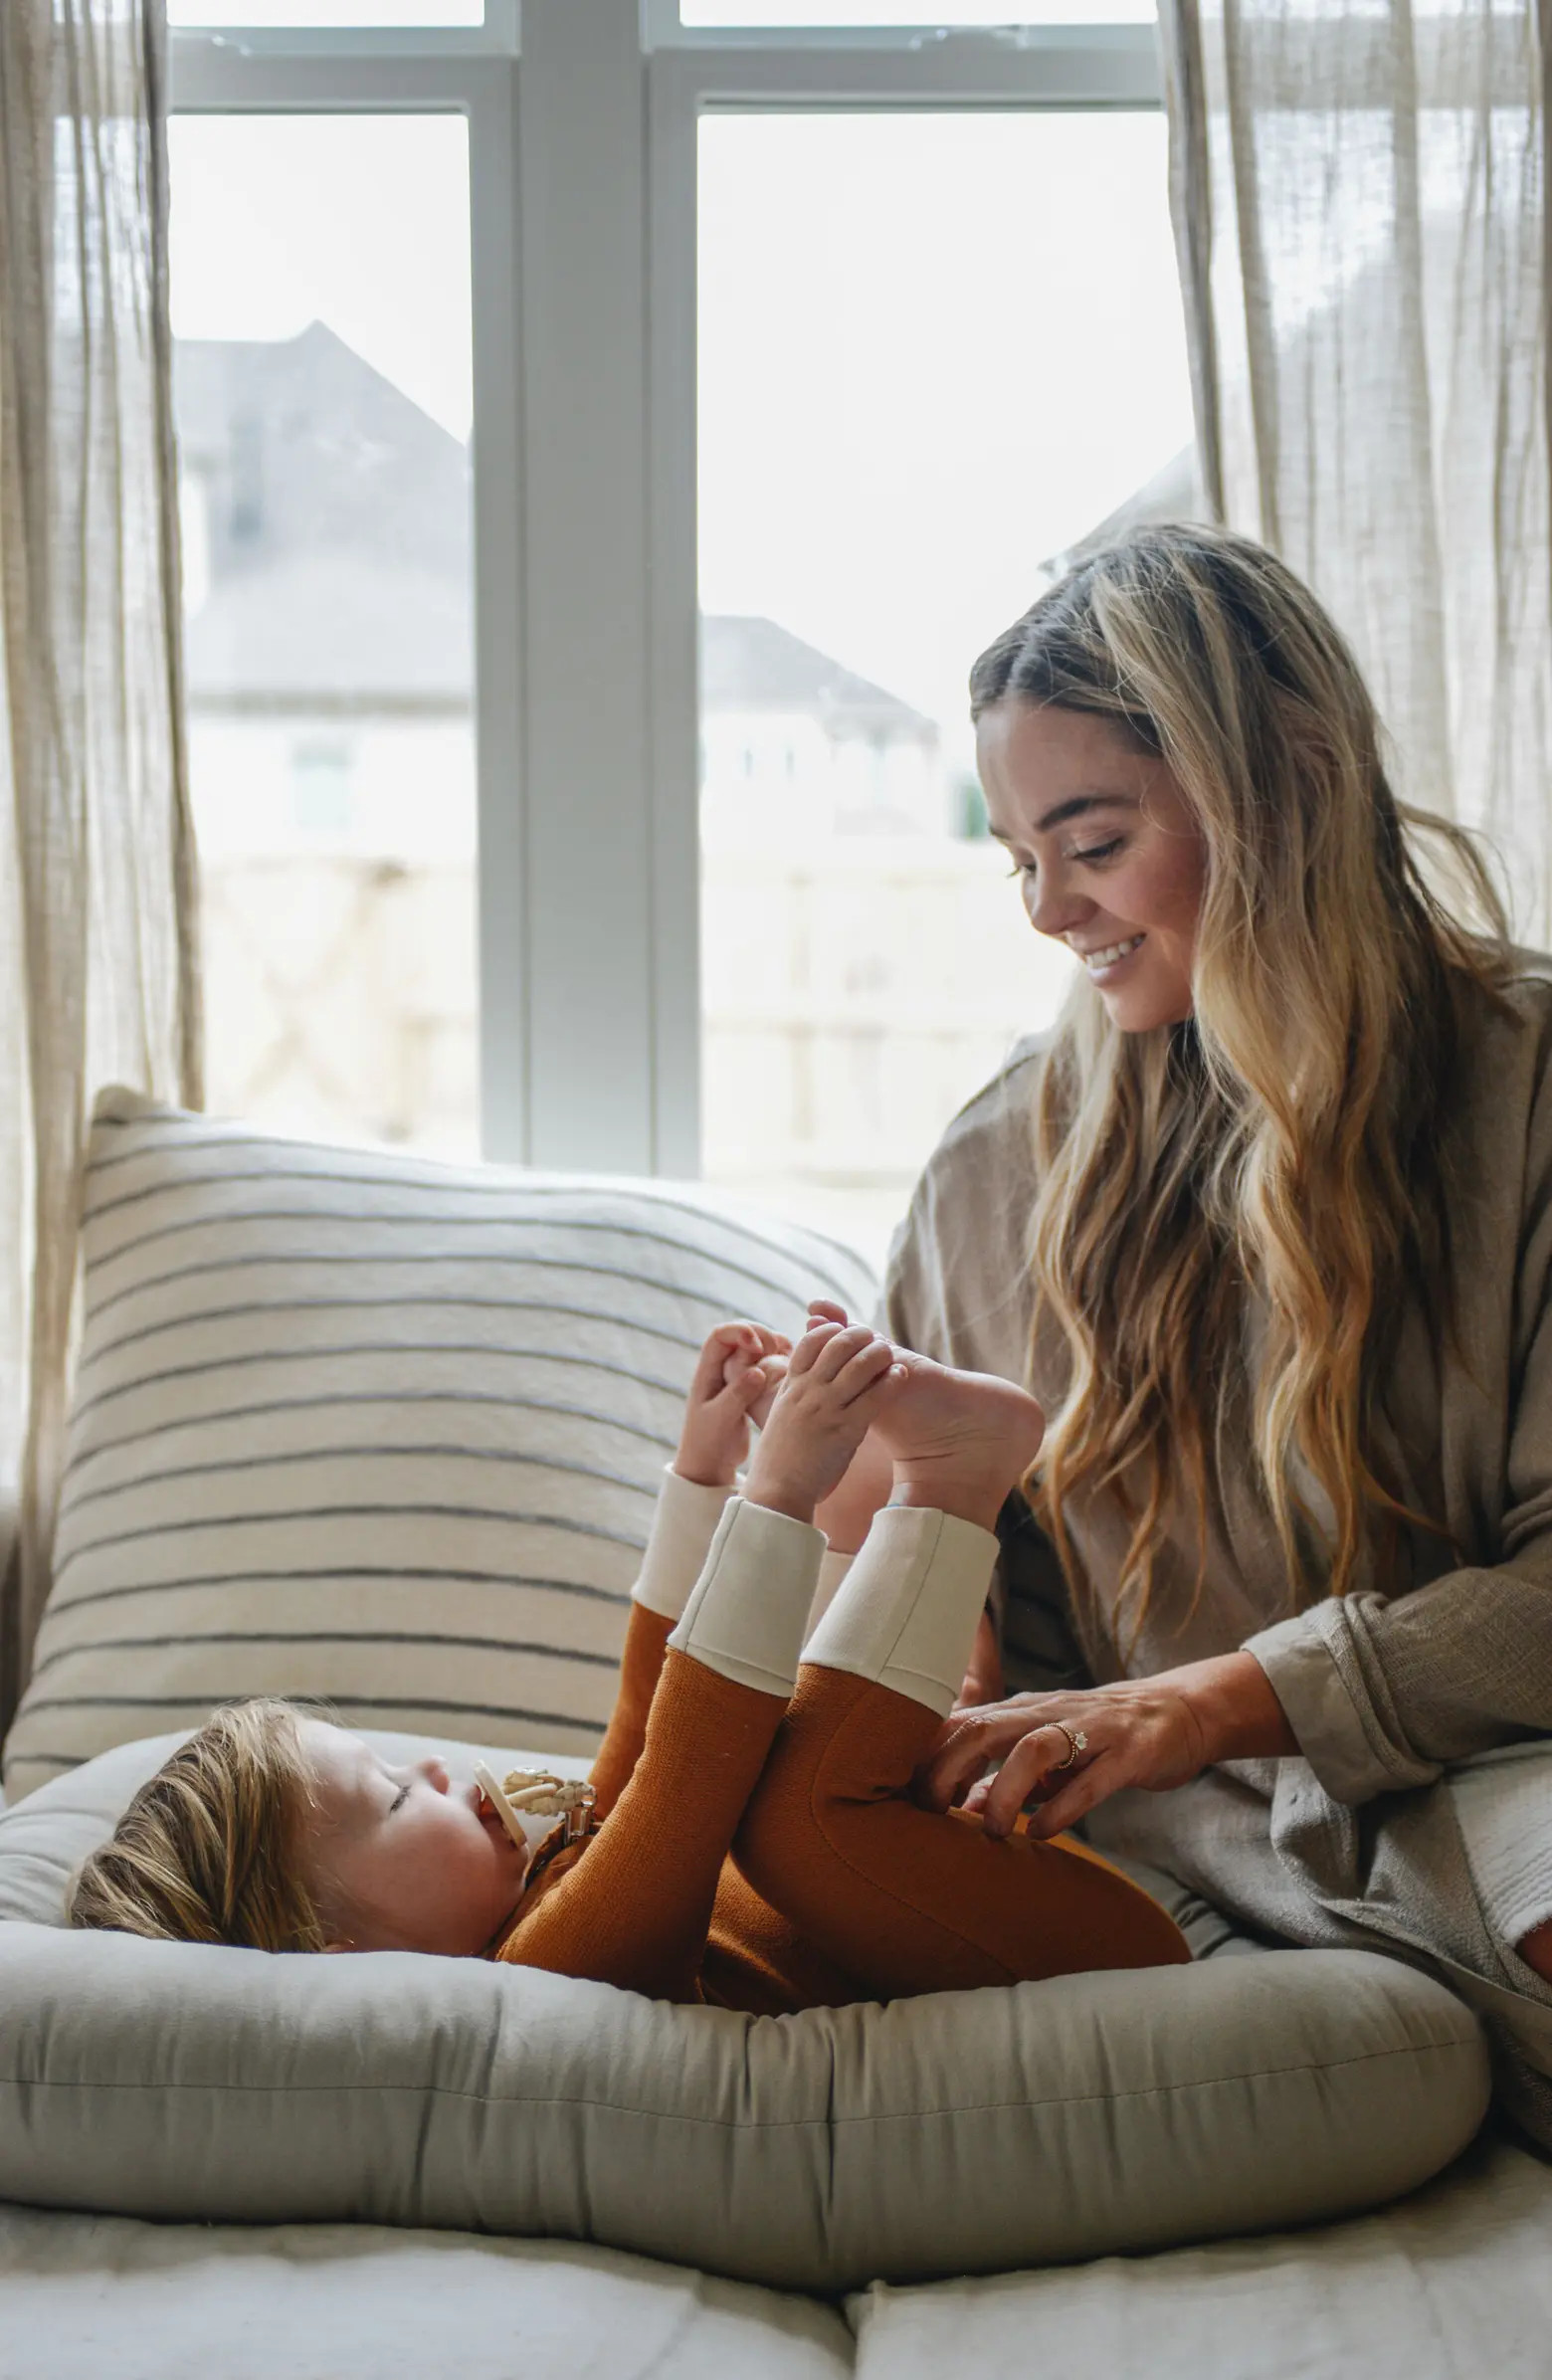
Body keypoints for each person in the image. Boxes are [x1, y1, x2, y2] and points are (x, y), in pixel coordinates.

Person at [884, 519, 1552, 2137]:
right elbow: (952, 1608)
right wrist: (934, 1619)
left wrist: (1203, 1698)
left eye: (1094, 843)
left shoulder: (1528, 1085)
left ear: (1286, 784)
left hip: (1501, 1757)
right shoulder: (994, 1171)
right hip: (1169, 1817)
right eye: (1020, 859)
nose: (1049, 910)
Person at [67, 1312, 1188, 2005]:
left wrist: (702, 1479)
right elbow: (685, 1771)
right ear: (342, 1954)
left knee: (789, 1799)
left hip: (1005, 1913)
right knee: (789, 1817)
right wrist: (773, 1499)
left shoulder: (552, 1881)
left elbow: (644, 1724)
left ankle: (922, 1501)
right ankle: (945, 1485)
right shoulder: (551, 1966)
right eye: (399, 1796)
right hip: (1090, 1957)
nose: (438, 1770)